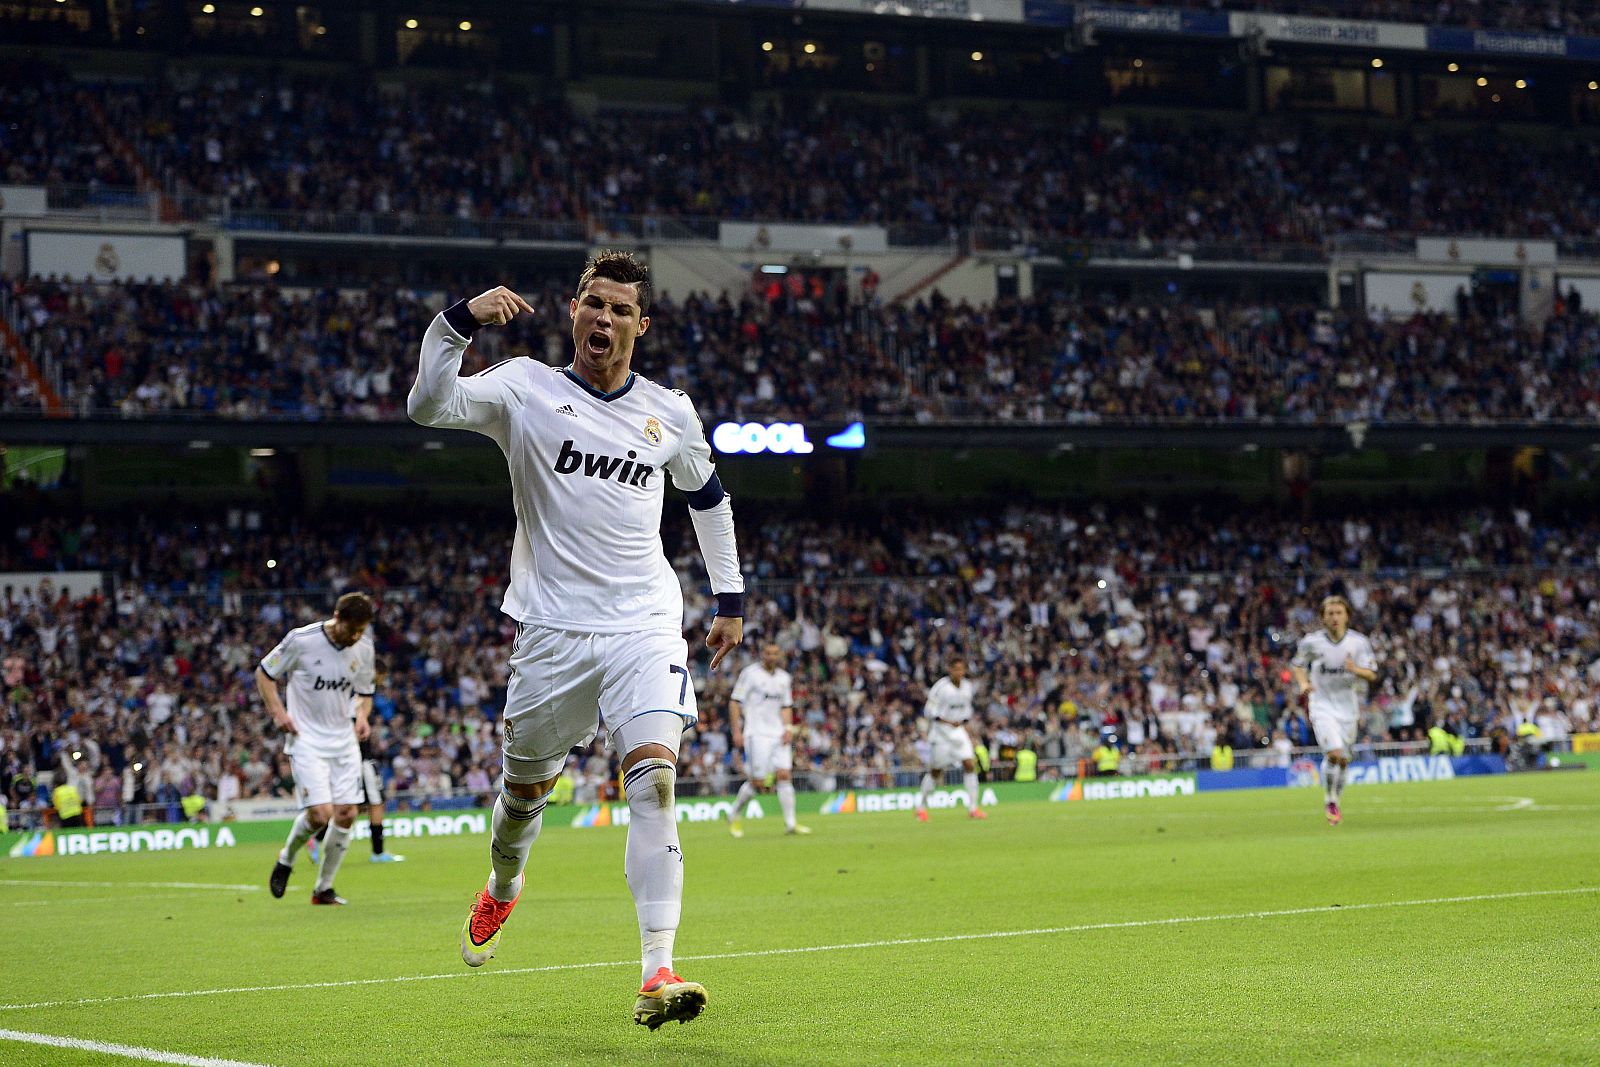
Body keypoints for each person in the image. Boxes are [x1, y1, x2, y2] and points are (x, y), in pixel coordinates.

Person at [407, 250, 745, 1031]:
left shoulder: (670, 412)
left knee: (656, 781)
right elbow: (428, 405)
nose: (606, 319)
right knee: (522, 799)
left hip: (643, 624)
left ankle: (657, 967)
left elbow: (710, 499)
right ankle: (504, 881)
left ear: (641, 324)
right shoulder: (524, 387)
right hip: (553, 634)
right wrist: (457, 322)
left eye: (622, 309)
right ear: (573, 310)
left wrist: (729, 596)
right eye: (595, 303)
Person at [256, 591, 376, 905]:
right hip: (307, 739)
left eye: (361, 631)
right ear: (337, 617)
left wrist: (362, 716)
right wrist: (279, 713)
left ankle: (323, 888)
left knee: (347, 814)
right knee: (320, 815)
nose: (356, 636)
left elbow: (365, 691)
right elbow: (265, 673)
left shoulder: (363, 648)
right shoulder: (302, 641)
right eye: (352, 629)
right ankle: (287, 856)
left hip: (344, 741)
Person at [1292, 594, 1378, 826]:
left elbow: (1371, 674)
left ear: (1347, 616)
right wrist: (1303, 684)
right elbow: (1297, 665)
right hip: (1321, 705)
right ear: (1322, 618)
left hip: (1348, 708)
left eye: (1339, 613)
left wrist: (1354, 669)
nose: (1334, 617)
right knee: (1334, 753)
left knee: (1343, 761)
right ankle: (1329, 799)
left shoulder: (1358, 643)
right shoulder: (1312, 642)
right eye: (1330, 613)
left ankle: (1336, 798)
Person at [725, 641, 809, 837]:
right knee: (759, 783)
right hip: (756, 733)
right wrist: (736, 731)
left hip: (778, 733)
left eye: (775, 653)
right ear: (762, 654)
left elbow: (786, 706)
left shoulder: (784, 678)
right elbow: (735, 702)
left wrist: (788, 728)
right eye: (768, 653)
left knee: (784, 775)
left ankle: (791, 823)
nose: (772, 657)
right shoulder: (750, 674)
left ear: (780, 655)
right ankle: (733, 812)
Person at [914, 655, 986, 821]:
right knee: (936, 771)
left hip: (958, 731)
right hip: (941, 732)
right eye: (956, 669)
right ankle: (921, 807)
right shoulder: (941, 687)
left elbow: (966, 712)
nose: (959, 672)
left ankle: (973, 808)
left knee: (969, 764)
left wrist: (968, 730)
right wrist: (948, 721)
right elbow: (929, 711)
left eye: (962, 669)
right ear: (950, 670)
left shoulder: (967, 687)